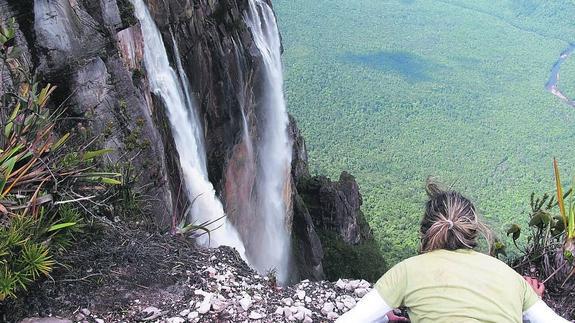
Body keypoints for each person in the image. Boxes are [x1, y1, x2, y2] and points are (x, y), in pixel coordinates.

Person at [337, 181, 571, 323]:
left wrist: (379, 316)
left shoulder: (407, 271)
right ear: (474, 230)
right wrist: (524, 300)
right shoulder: (512, 278)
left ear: (424, 231)